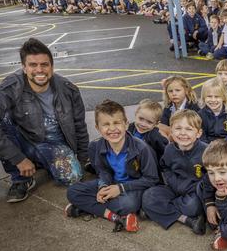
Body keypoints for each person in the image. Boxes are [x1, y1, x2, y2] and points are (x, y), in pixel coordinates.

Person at [0, 38, 88, 203]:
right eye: (33, 65)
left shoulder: (68, 89)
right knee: (3, 120)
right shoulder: (11, 87)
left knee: (73, 177)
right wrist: (18, 158)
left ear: (52, 67)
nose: (39, 70)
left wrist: (82, 159)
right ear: (24, 68)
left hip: (54, 142)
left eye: (44, 64)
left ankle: (40, 161)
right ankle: (21, 179)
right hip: (24, 138)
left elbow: (79, 125)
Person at [65, 100, 158, 233]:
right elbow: (103, 170)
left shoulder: (141, 148)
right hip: (112, 183)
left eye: (117, 123)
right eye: (106, 124)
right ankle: (115, 217)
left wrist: (120, 188)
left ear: (126, 124)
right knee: (72, 191)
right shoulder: (96, 146)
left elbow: (151, 179)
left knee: (128, 205)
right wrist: (103, 186)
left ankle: (86, 207)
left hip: (133, 187)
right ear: (97, 128)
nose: (112, 129)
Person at [141, 110, 208, 235]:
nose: (182, 133)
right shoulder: (170, 149)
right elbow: (164, 167)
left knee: (192, 206)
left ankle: (157, 210)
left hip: (193, 192)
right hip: (173, 188)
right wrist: (172, 181)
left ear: (198, 133)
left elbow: (210, 176)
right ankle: (185, 219)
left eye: (189, 129)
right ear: (171, 132)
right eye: (178, 128)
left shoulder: (206, 151)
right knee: (148, 196)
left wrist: (198, 187)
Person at [127, 99, 168, 163]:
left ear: (156, 124)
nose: (143, 124)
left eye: (149, 122)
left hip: (148, 164)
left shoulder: (155, 137)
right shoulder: (129, 128)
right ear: (136, 114)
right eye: (141, 119)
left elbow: (165, 152)